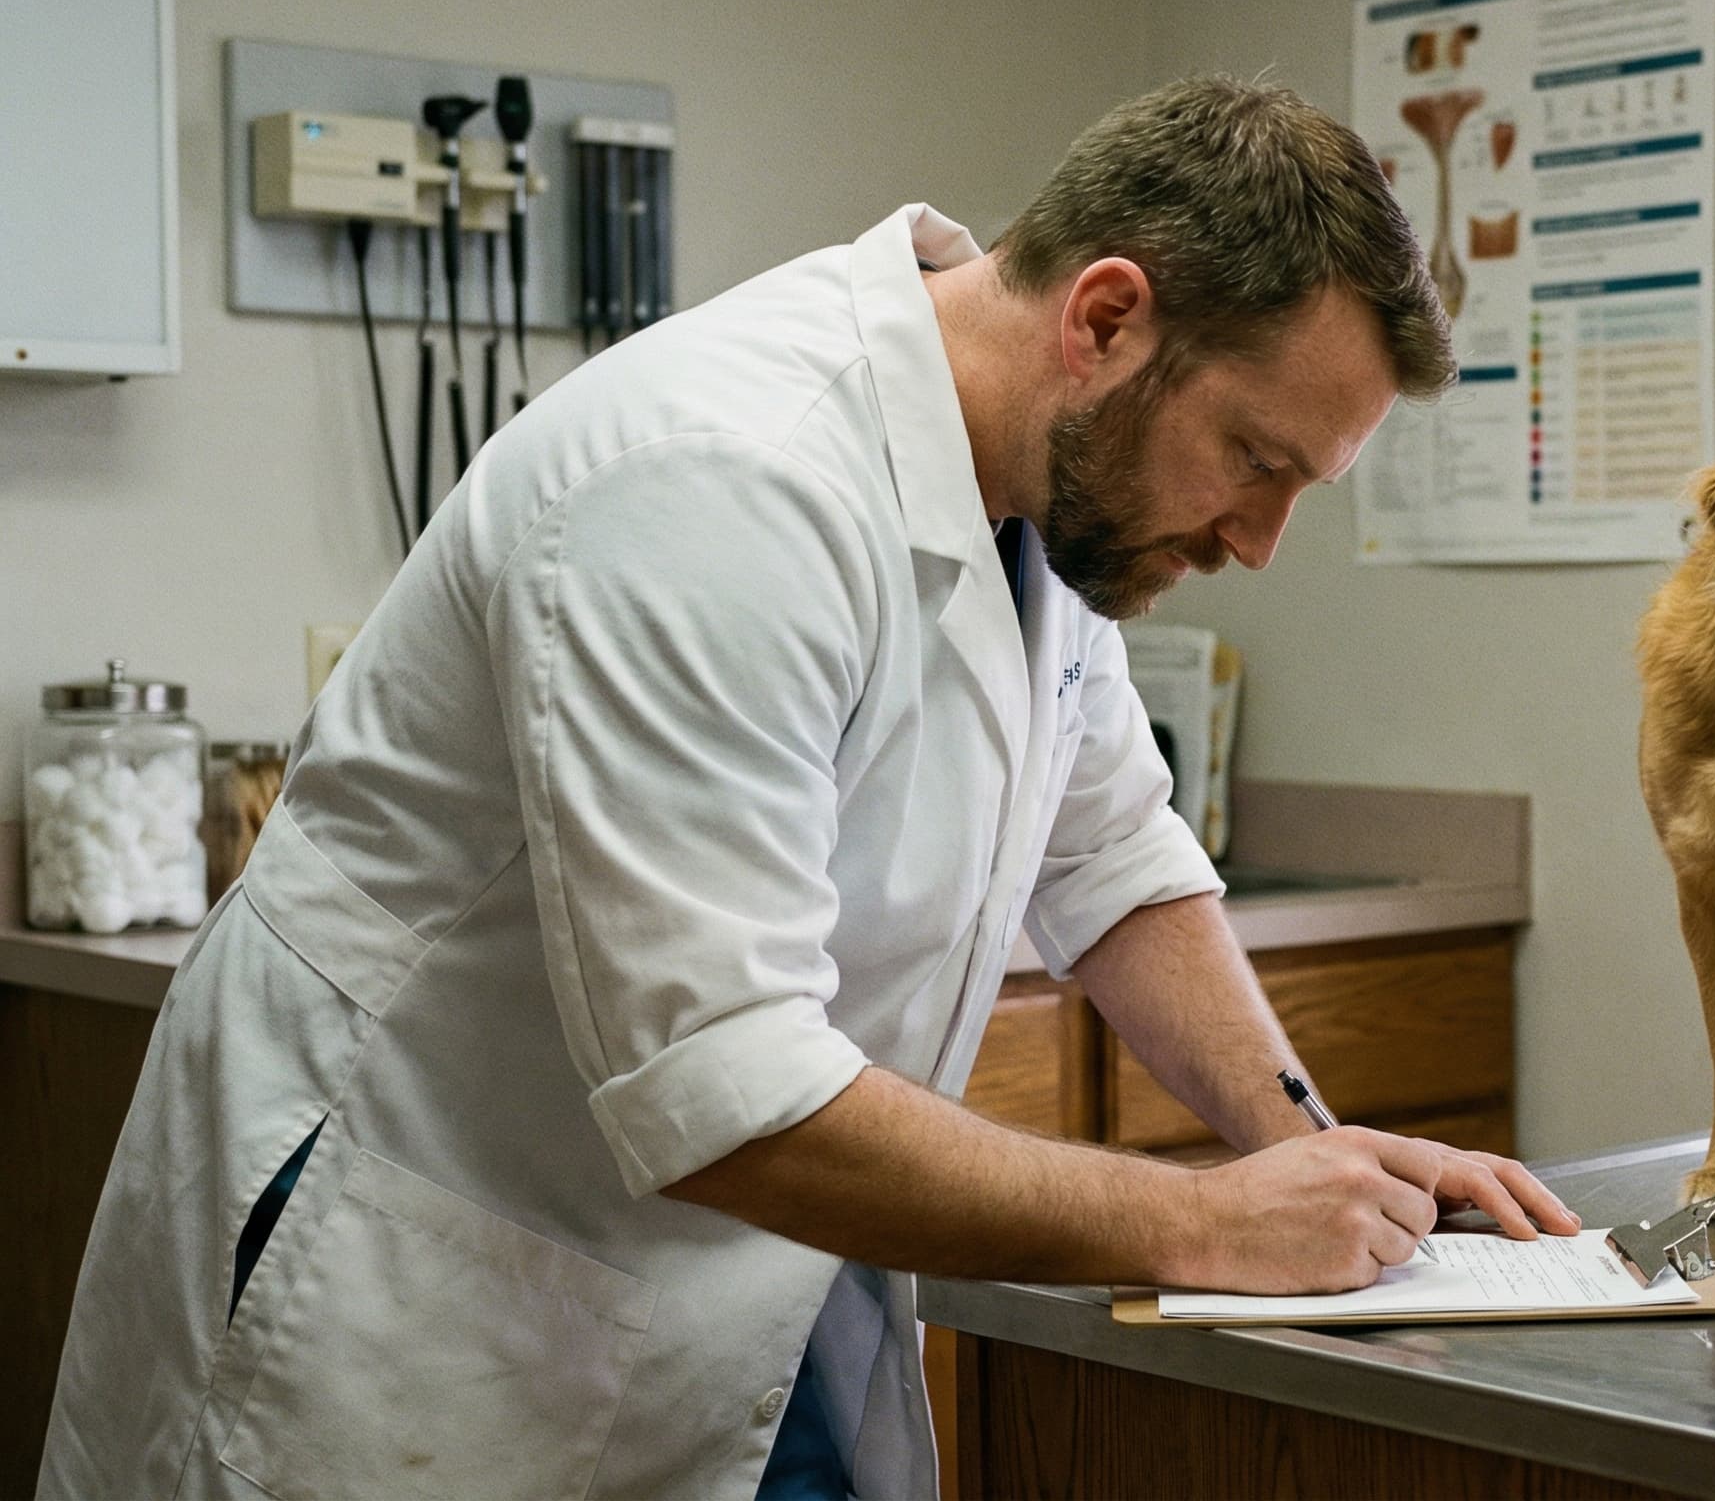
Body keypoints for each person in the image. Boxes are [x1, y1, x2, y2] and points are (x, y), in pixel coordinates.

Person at [40, 77, 1575, 1501]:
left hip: (722, 1301)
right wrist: (1199, 1223)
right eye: (1256, 459)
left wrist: (1302, 1141)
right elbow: (724, 1089)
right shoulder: (719, 482)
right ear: (1107, 318)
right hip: (422, 1281)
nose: (1258, 539)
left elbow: (1116, 856)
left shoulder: (1040, 497)